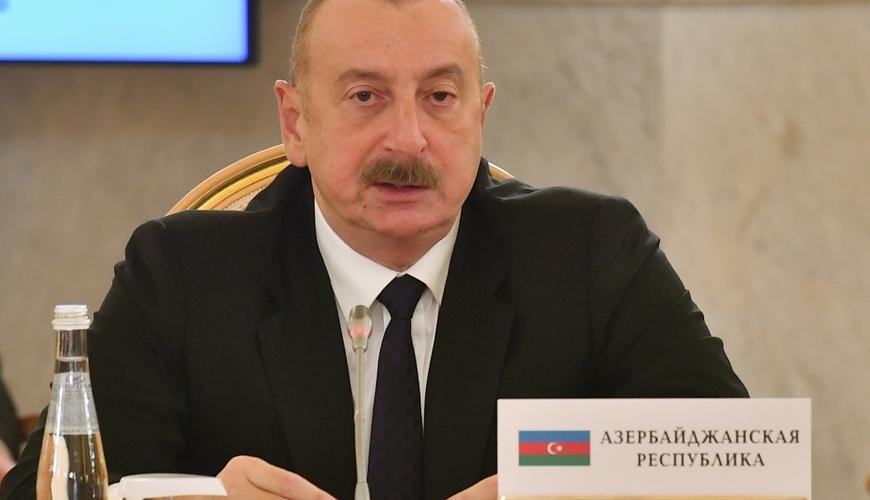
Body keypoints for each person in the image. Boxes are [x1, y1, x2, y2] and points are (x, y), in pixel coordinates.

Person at [0, 0, 748, 498]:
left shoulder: (591, 255)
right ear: (296, 122)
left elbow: (737, 461)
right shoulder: (181, 277)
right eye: (366, 97)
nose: (408, 140)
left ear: (481, 115)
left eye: (440, 97)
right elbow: (49, 491)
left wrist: (561, 484)